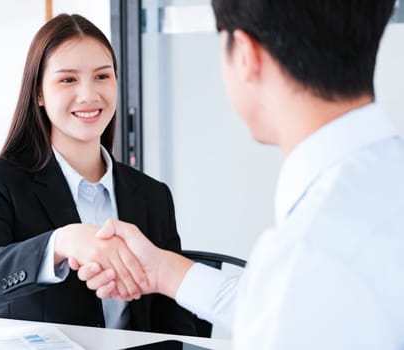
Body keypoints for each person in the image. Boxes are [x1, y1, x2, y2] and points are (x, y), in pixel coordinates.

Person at [73, 0, 404, 348]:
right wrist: (165, 271)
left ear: (246, 54)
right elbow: (284, 307)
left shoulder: (309, 253)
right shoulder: (377, 186)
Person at [0, 13, 196, 336]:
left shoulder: (153, 196)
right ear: (39, 94)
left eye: (102, 76)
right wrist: (61, 242)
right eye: (68, 79)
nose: (89, 95)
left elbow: (173, 320)